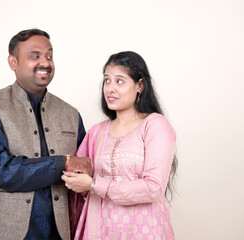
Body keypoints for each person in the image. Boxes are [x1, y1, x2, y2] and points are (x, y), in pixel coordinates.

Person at [0, 29, 92, 240]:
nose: (45, 63)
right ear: (13, 62)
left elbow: (84, 170)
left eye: (49, 56)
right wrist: (63, 163)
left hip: (56, 233)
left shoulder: (70, 113)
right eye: (35, 56)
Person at [62, 51, 178, 239]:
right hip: (100, 230)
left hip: (145, 230)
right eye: (107, 80)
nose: (110, 88)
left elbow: (154, 188)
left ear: (139, 85)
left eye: (119, 81)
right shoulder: (96, 132)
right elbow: (77, 179)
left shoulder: (155, 125)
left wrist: (94, 184)